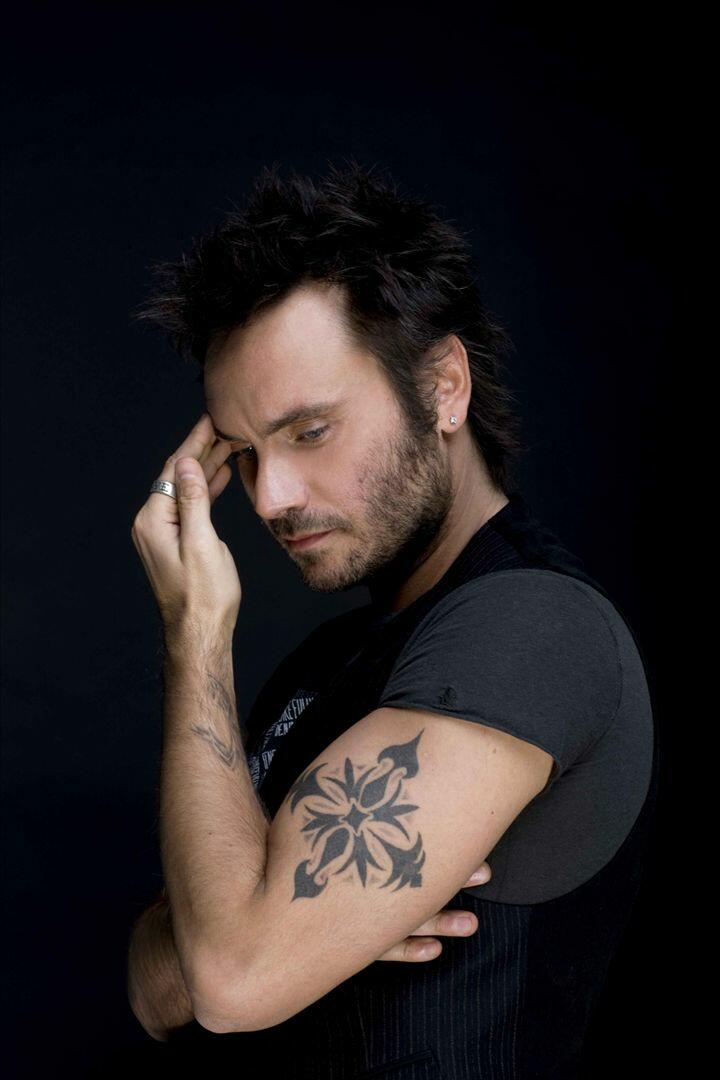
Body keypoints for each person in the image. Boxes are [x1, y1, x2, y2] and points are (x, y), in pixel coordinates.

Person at [126, 161, 657, 1078]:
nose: (270, 497)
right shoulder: (329, 660)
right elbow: (152, 987)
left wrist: (197, 636)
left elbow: (226, 978)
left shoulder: (534, 628)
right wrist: (270, 927)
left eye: (309, 431)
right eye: (243, 453)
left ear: (443, 386)